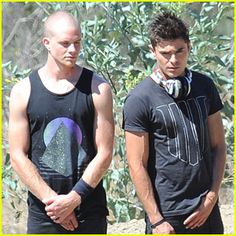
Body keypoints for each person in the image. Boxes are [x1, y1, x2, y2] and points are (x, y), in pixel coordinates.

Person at [9, 11, 114, 234]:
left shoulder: (98, 89)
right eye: (65, 44)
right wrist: (54, 203)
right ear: (46, 43)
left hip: (89, 213)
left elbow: (105, 152)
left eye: (77, 43)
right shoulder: (23, 91)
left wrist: (74, 199)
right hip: (44, 214)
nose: (73, 50)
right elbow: (17, 155)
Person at [123, 12, 226, 234]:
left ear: (189, 46)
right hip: (168, 216)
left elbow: (218, 146)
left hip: (207, 210)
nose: (174, 60)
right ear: (153, 51)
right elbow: (136, 164)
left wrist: (211, 198)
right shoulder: (139, 99)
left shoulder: (205, 86)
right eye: (165, 53)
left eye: (180, 51)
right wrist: (157, 220)